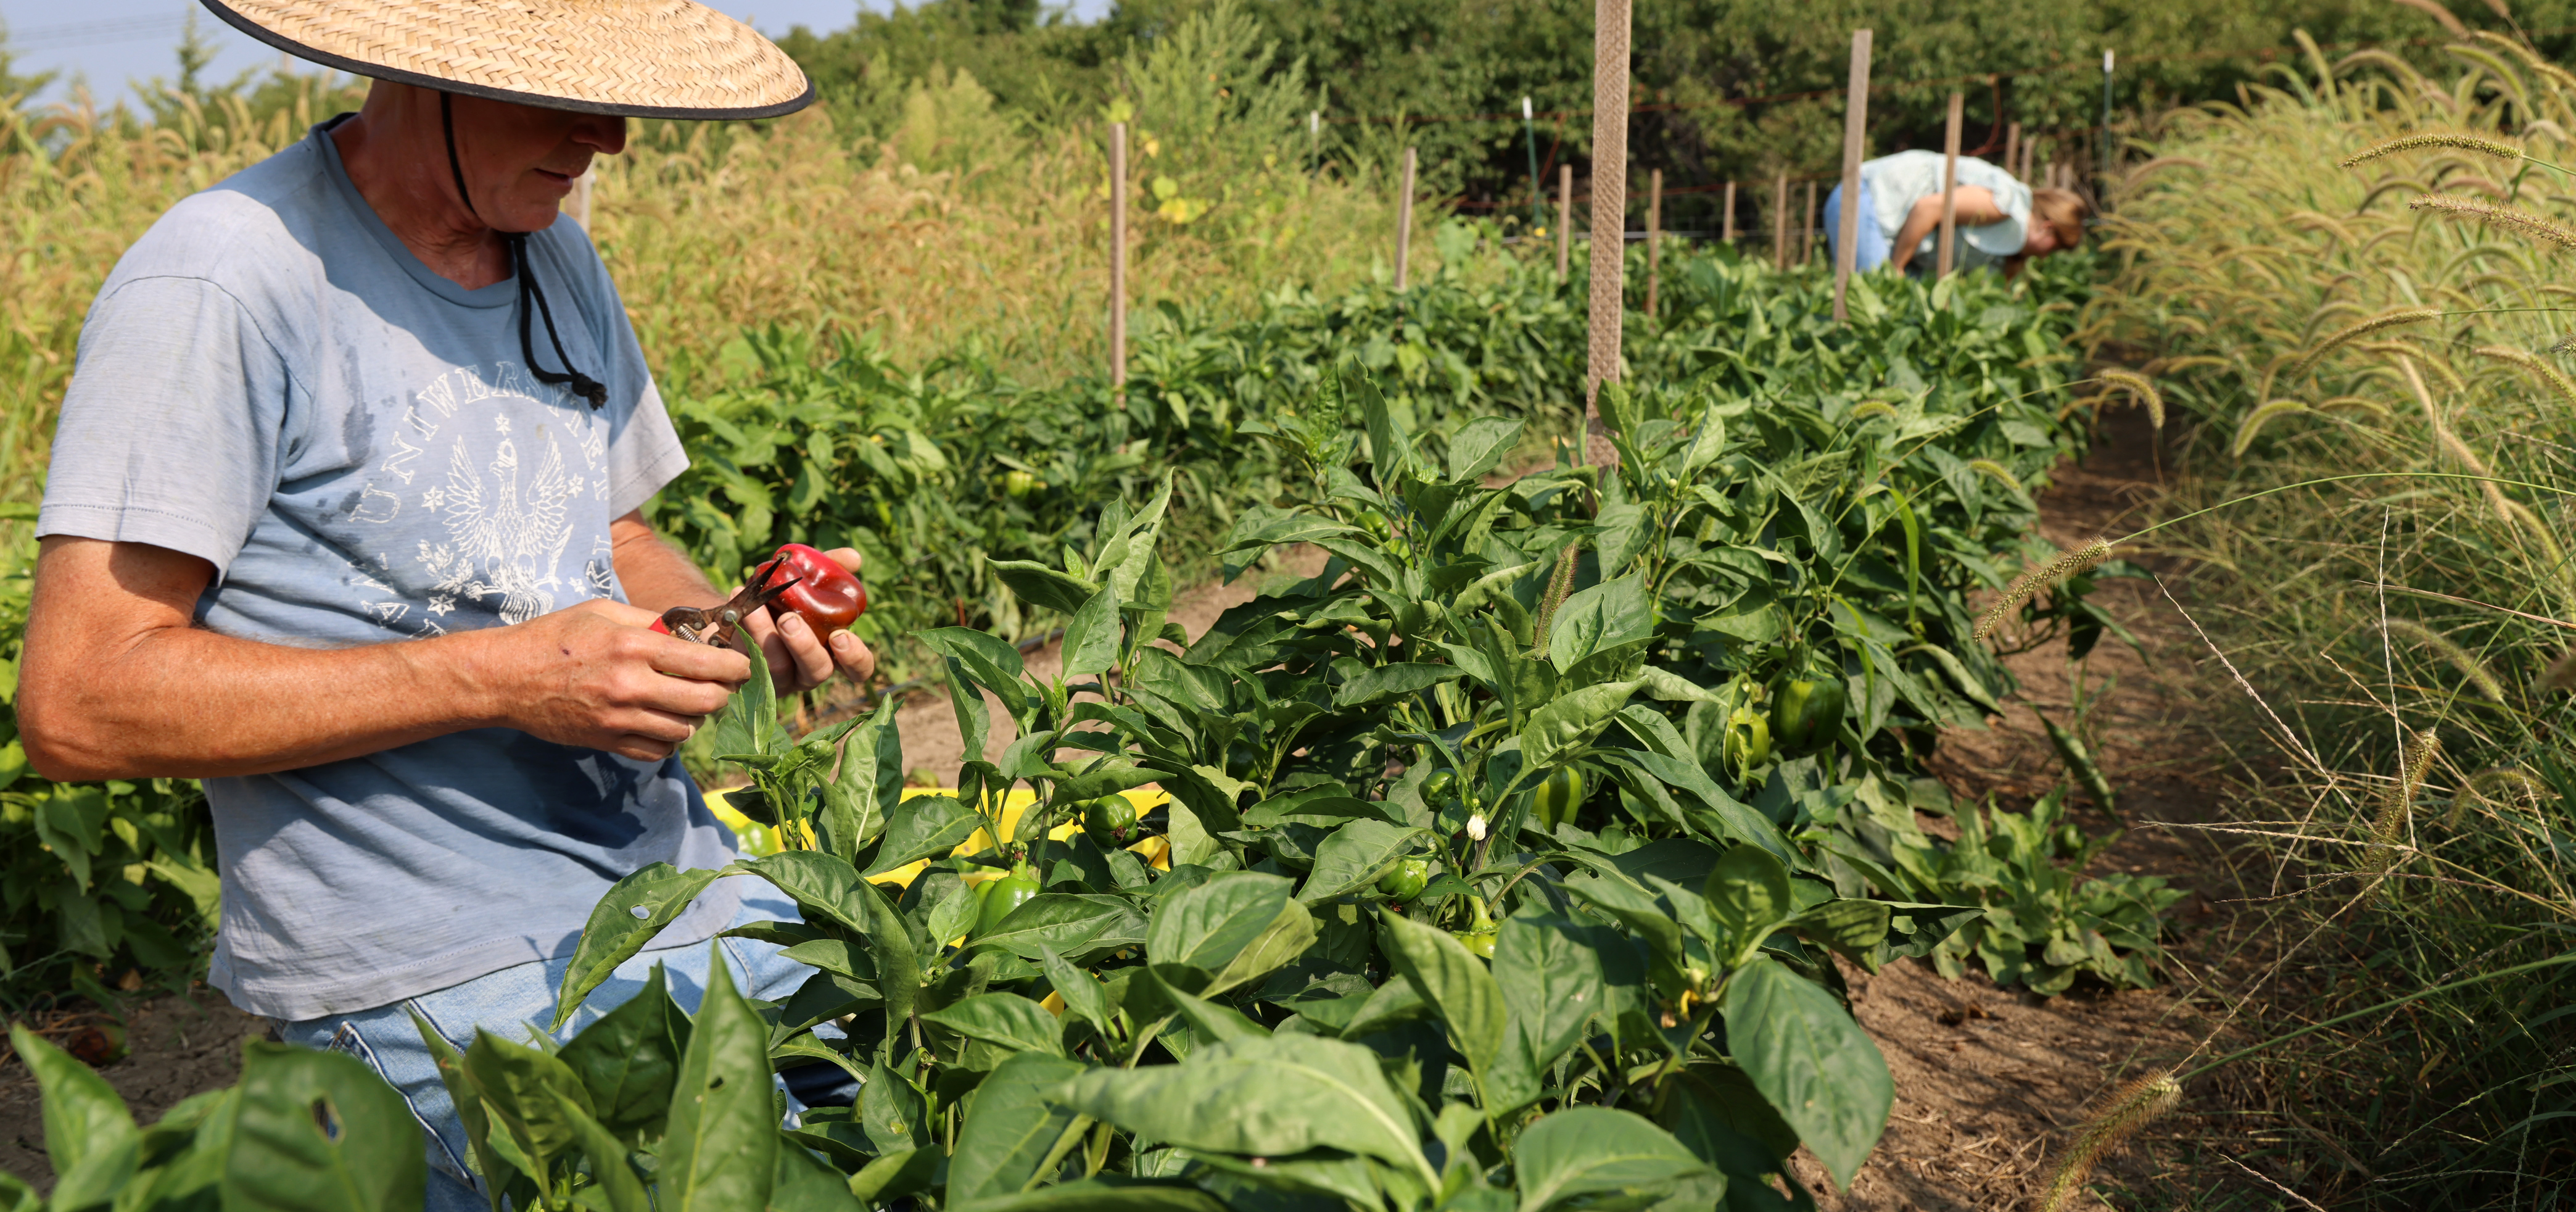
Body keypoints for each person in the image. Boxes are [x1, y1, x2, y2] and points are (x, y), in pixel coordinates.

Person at [16, 0, 858, 1205]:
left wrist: (727, 628)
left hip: (679, 888)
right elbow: (80, 701)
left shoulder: (551, 252)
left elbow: (609, 532)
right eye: (566, 95)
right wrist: (510, 677)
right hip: (434, 963)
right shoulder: (225, 282)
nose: (610, 138)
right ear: (426, 71)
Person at [1822, 148, 2090, 278]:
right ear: (2048, 228)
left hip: (1889, 231)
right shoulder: (2005, 206)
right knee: (1874, 304)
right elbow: (1928, 208)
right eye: (2053, 248)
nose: (2045, 257)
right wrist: (1897, 268)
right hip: (1867, 199)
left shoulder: (2008, 246)